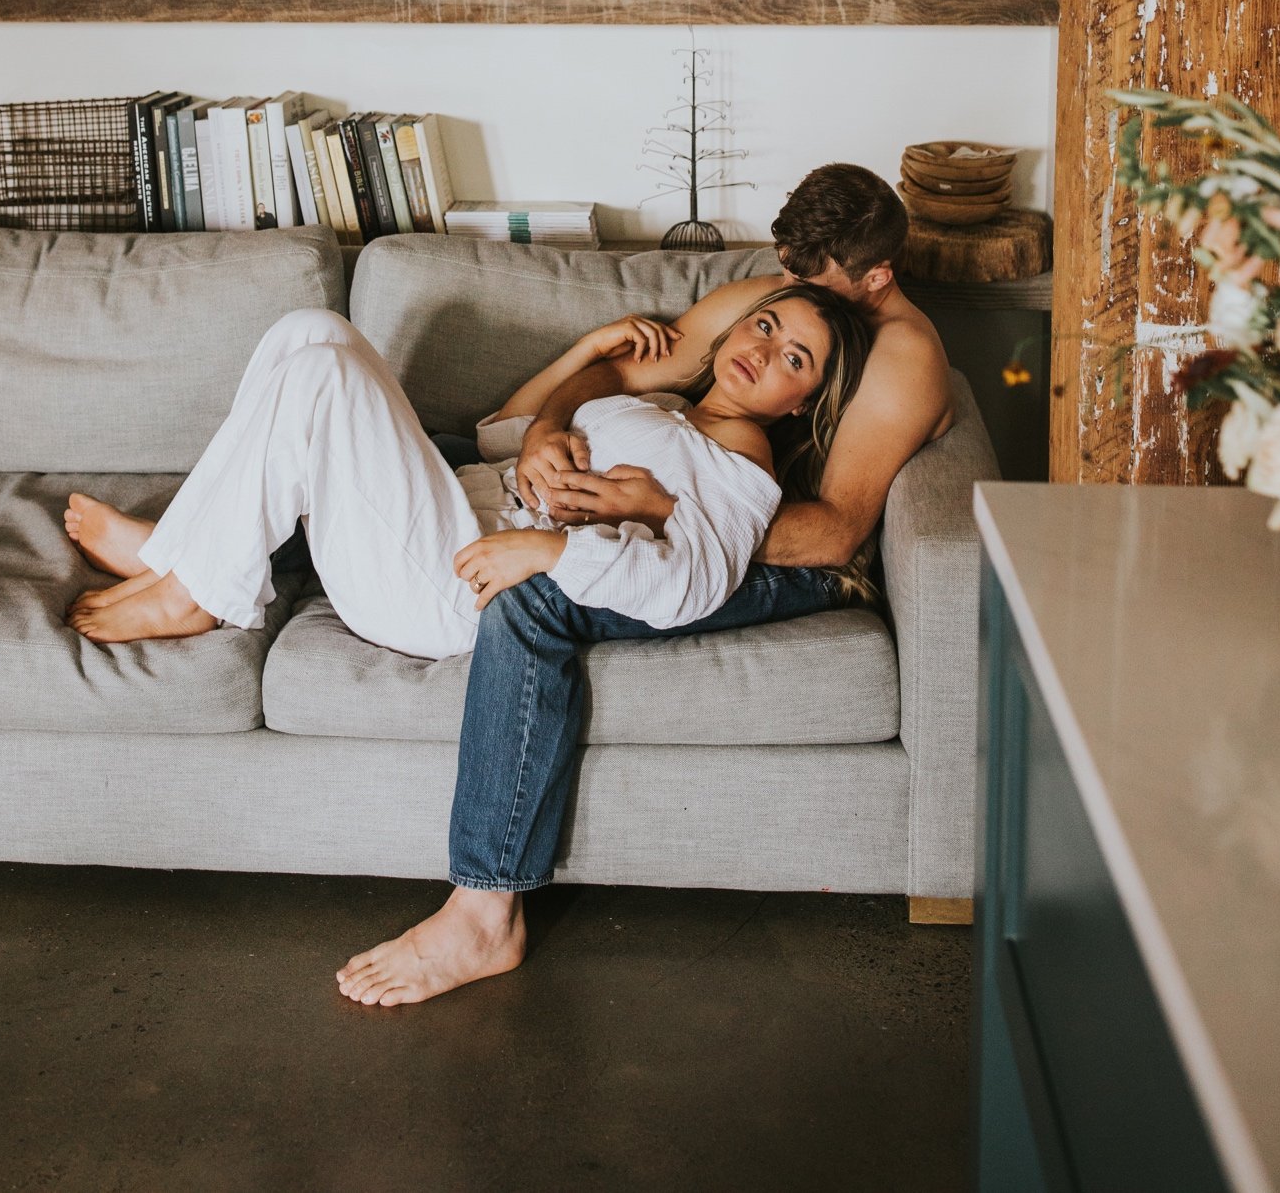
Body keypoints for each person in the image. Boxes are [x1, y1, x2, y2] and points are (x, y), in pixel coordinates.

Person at [340, 162, 954, 1008]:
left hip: (788, 555)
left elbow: (836, 528)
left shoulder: (904, 355)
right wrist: (546, 432)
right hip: (697, 500)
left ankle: (486, 909)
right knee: (403, 462)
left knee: (537, 599)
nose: (784, 296)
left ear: (877, 276)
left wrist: (667, 508)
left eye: (813, 284)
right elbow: (628, 374)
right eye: (785, 273)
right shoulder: (775, 297)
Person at [61, 281, 868, 660]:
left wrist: (552, 552)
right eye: (763, 325)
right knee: (311, 331)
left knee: (323, 376)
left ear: (803, 400)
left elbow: (692, 581)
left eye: (792, 355)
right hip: (455, 512)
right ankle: (183, 551)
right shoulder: (665, 412)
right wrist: (586, 356)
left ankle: (193, 587)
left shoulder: (744, 466)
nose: (760, 351)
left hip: (459, 584)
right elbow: (495, 436)